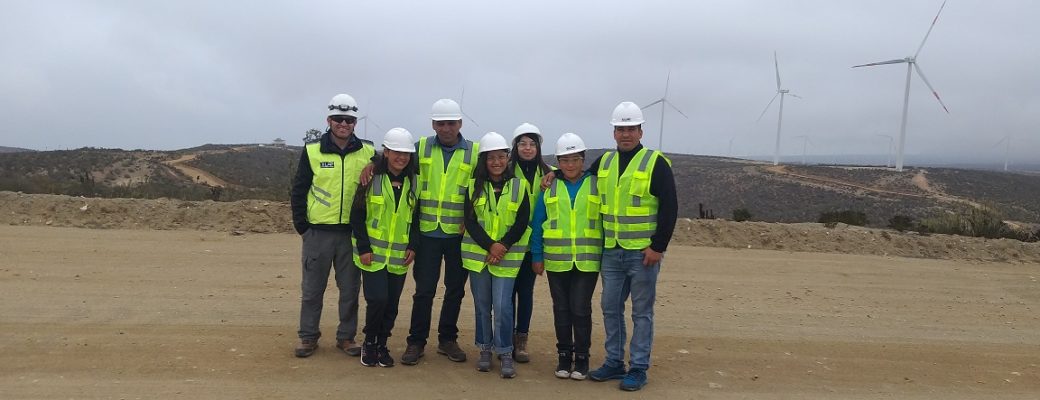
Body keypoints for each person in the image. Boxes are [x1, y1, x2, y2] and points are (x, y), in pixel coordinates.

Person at [586, 101, 678, 391]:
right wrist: (553, 174)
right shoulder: (604, 162)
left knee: (641, 312)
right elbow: (578, 177)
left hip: (643, 254)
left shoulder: (655, 163)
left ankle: (638, 367)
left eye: (631, 129)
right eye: (620, 129)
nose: (625, 134)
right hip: (611, 251)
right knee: (610, 307)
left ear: (640, 131)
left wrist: (657, 246)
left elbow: (669, 207)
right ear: (613, 132)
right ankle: (614, 361)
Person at [290, 94, 376, 358]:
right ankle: (308, 337)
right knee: (312, 290)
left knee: (350, 290)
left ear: (354, 122)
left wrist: (376, 163)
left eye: (349, 119)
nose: (343, 124)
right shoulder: (313, 150)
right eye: (338, 119)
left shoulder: (369, 151)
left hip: (350, 234)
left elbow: (397, 162)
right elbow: (299, 189)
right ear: (329, 120)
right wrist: (303, 227)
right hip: (318, 232)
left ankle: (346, 337)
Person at [400, 99, 479, 365]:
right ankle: (416, 341)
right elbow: (394, 164)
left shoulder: (474, 152)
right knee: (424, 291)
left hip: (458, 236)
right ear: (433, 124)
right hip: (427, 234)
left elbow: (497, 176)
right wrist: (371, 166)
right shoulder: (420, 148)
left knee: (455, 290)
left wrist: (551, 173)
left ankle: (447, 339)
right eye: (441, 123)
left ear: (460, 124)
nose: (446, 128)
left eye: (451, 123)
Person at [529, 132, 602, 381]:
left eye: (575, 160)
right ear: (558, 162)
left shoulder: (596, 183)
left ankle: (582, 358)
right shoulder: (549, 186)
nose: (570, 165)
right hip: (557, 260)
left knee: (580, 309)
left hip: (587, 259)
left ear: (583, 160)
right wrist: (537, 255)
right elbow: (538, 223)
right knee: (561, 309)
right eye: (564, 161)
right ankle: (563, 356)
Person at [461, 132, 531, 378]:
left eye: (501, 157)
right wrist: (491, 246)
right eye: (491, 158)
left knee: (502, 307)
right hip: (479, 257)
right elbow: (470, 222)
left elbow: (522, 221)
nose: (496, 162)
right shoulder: (472, 186)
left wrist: (502, 246)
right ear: (484, 160)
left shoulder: (520, 186)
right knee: (482, 307)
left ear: (508, 158)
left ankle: (504, 351)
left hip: (506, 258)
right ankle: (484, 349)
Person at [350, 128, 421, 368]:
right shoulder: (371, 178)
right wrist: (363, 248)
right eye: (396, 152)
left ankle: (382, 344)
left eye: (406, 153)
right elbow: (357, 215)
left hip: (399, 256)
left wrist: (413, 245)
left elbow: (416, 218)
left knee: (391, 303)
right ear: (387, 152)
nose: (401, 157)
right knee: (378, 299)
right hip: (373, 254)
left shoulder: (414, 182)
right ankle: (369, 342)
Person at [506, 122, 552, 363]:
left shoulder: (549, 173)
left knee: (525, 292)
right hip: (508, 242)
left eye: (532, 144)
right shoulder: (504, 170)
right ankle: (505, 338)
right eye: (522, 143)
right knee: (506, 294)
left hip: (533, 244)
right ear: (514, 146)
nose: (527, 148)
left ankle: (521, 340)